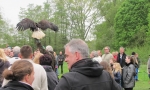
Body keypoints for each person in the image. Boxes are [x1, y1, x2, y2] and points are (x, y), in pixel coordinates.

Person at [55, 39, 121, 90]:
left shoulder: (67, 81)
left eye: (67, 56)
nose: (65, 59)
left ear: (76, 55)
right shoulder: (106, 76)